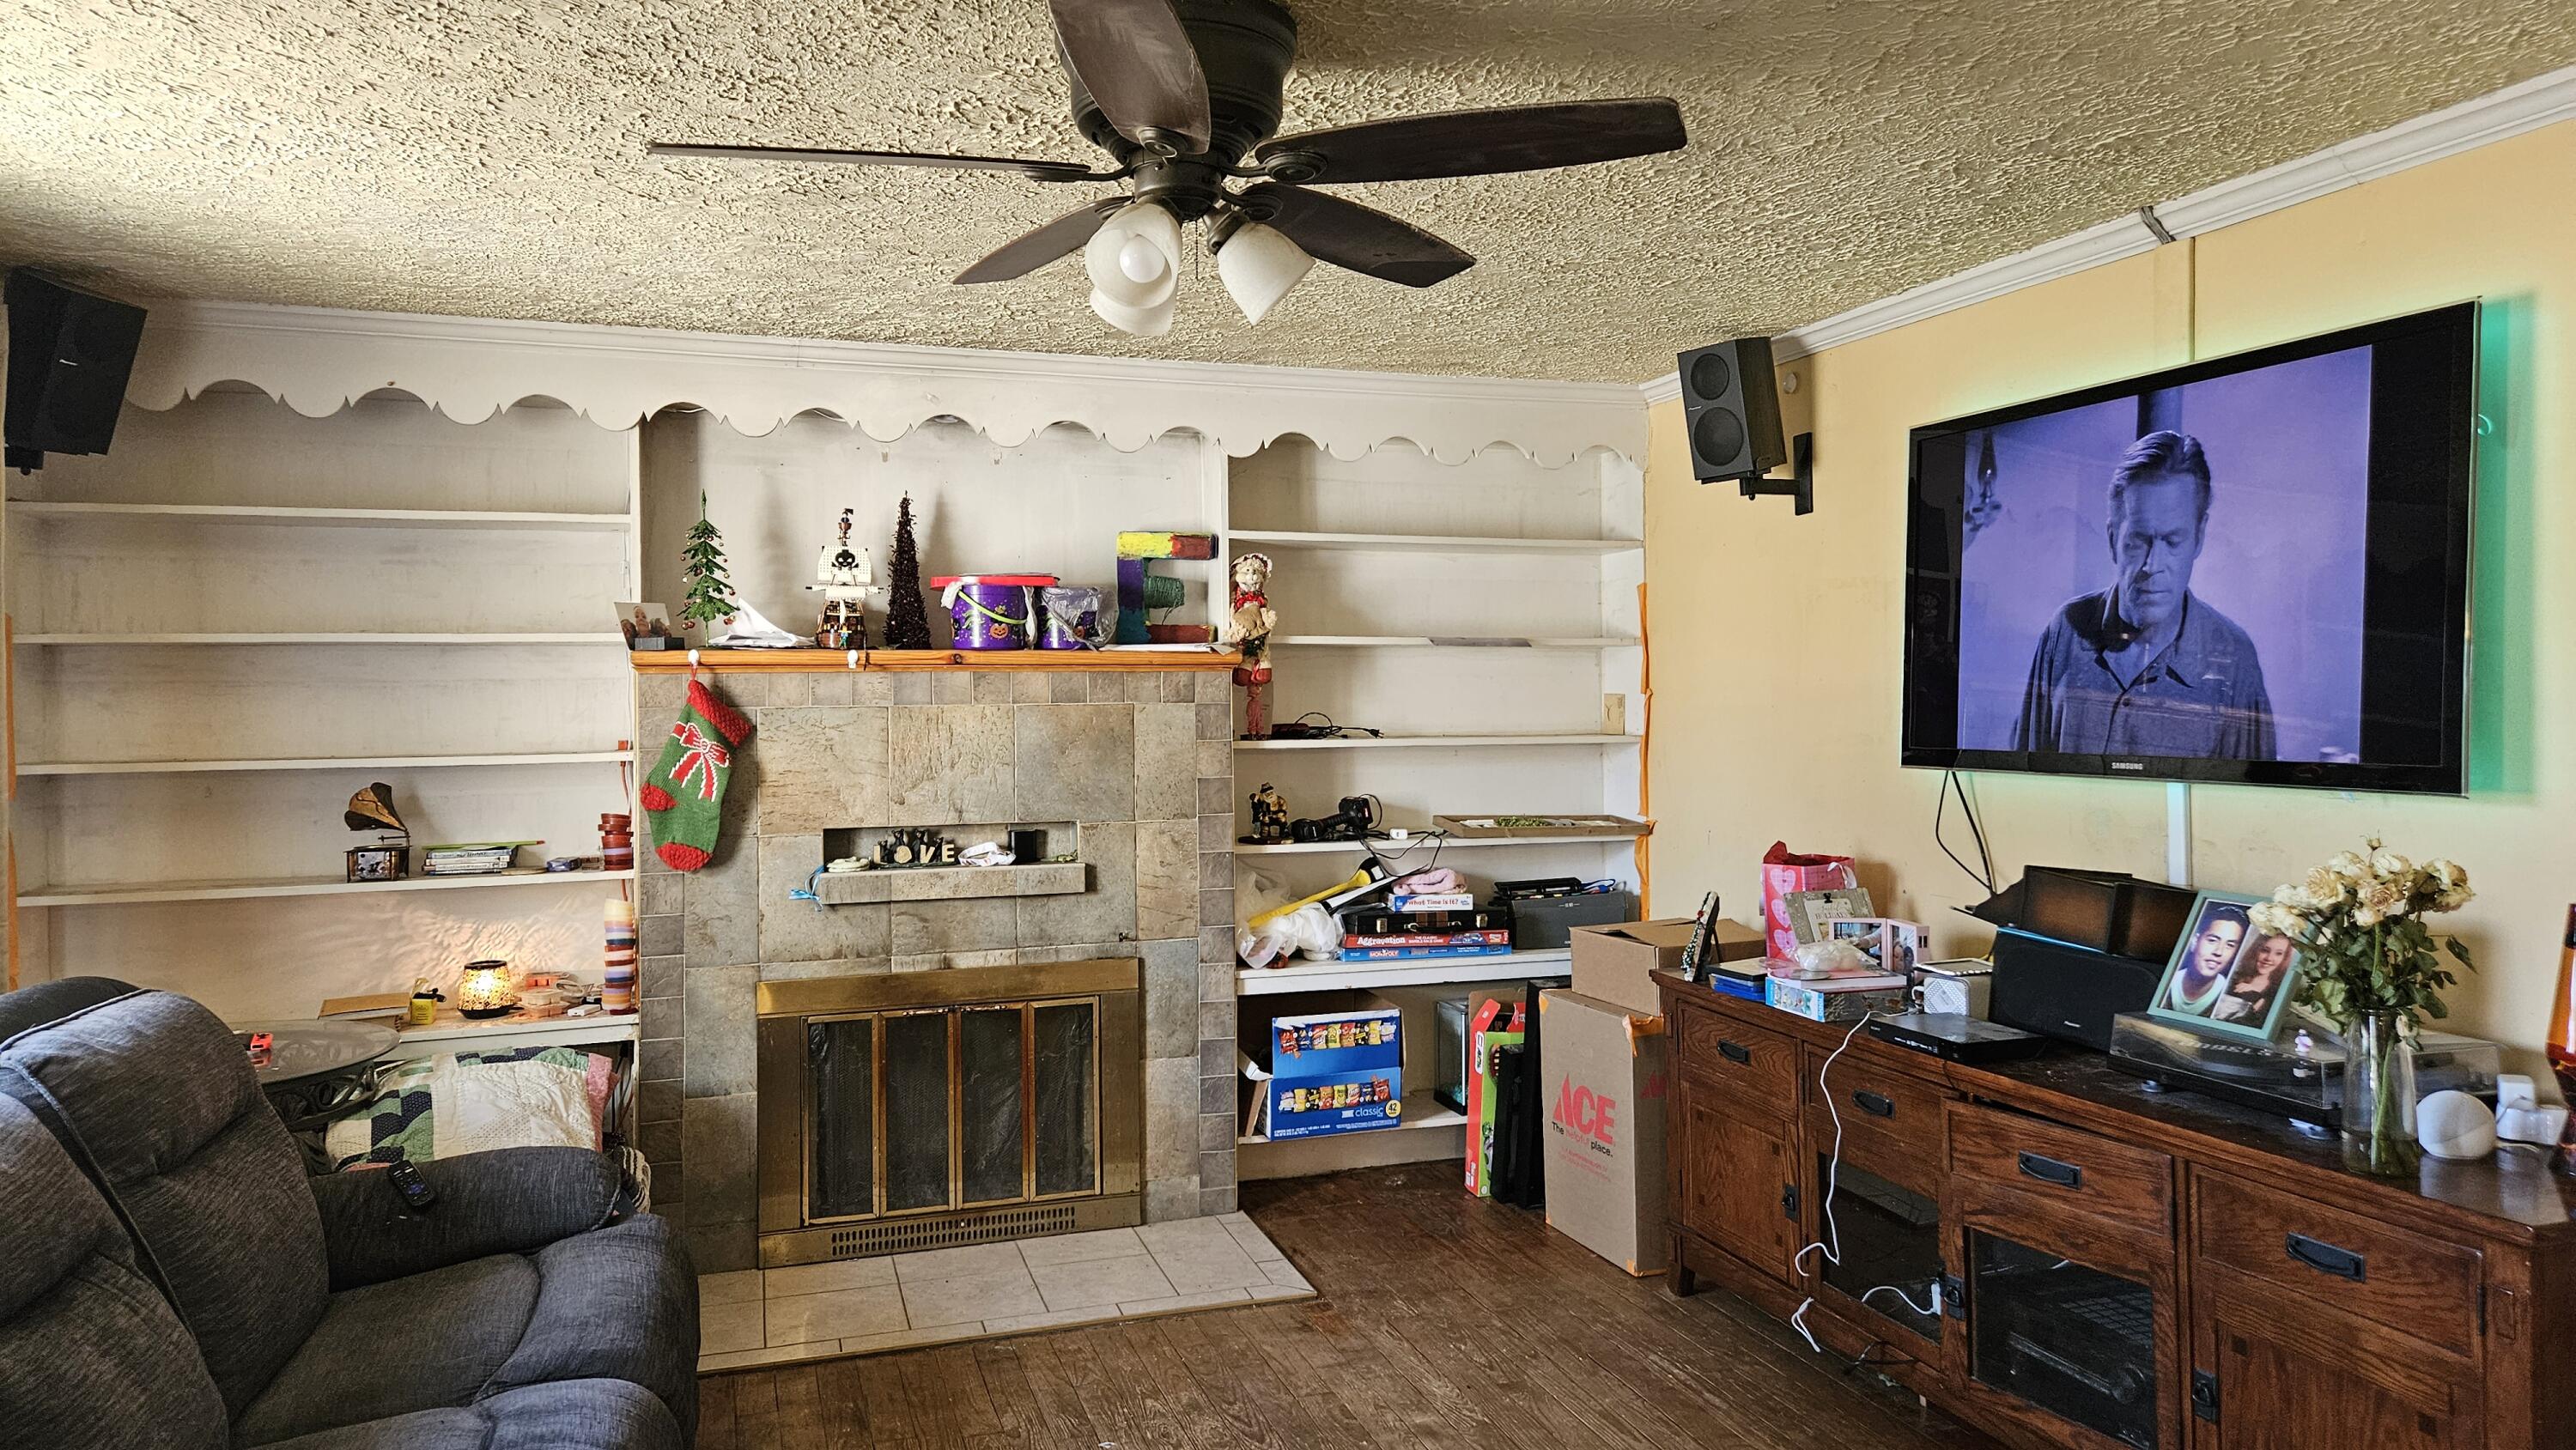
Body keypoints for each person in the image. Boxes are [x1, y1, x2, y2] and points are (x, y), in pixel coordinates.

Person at [2013, 431, 2275, 758]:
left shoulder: (2235, 655)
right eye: (2138, 541)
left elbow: (2252, 804)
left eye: (2173, 542)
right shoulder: (2064, 631)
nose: (2152, 565)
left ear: (2199, 537)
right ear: (2112, 539)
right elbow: (2024, 773)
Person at [2166, 904, 2248, 1015]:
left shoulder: (2234, 1005)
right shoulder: (2165, 983)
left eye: (2230, 945)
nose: (2218, 952)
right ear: (2195, 941)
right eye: (2212, 940)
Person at [2211, 931, 2296, 1026]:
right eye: (2265, 950)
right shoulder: (2231, 979)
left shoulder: (2279, 993)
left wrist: (2256, 996)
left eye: (2279, 954)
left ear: (2284, 958)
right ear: (2256, 950)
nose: (2269, 958)